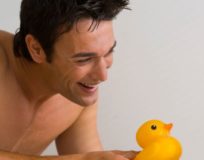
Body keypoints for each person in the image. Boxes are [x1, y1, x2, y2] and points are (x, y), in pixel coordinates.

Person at [0, 0, 137, 159]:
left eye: (108, 52)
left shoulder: (76, 92)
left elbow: (90, 157)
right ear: (36, 49)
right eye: (84, 59)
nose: (102, 76)